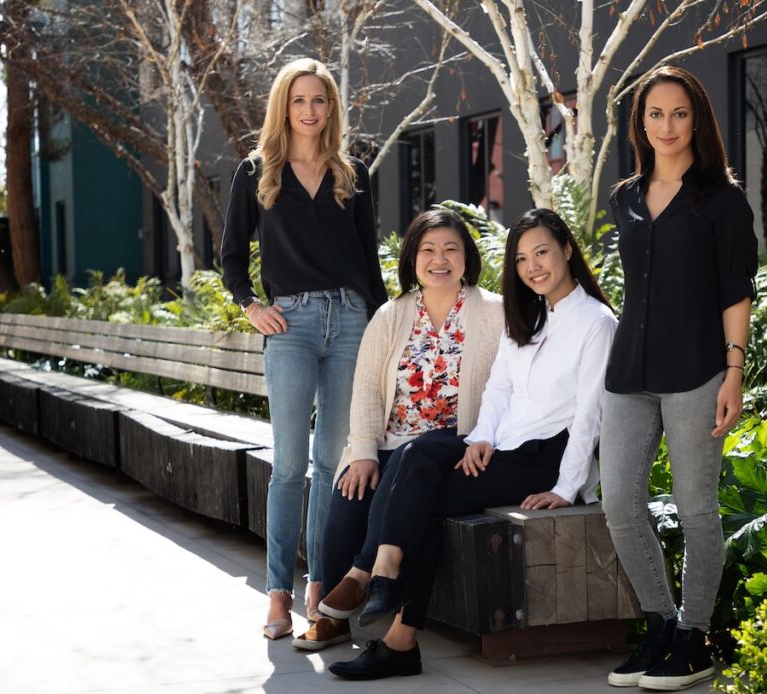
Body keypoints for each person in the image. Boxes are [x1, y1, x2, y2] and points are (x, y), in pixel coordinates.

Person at [326, 208, 617, 680]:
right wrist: (481, 437)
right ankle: (383, 570)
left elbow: (590, 415)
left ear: (567, 250)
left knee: (428, 500)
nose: (533, 266)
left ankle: (395, 625)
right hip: (504, 445)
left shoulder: (595, 322)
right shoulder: (531, 316)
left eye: (542, 252)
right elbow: (500, 388)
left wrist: (566, 487)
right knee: (414, 453)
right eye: (522, 258)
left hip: (546, 459)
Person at [600, 65, 758, 689]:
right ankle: (662, 625)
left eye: (680, 113)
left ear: (698, 120)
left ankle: (697, 636)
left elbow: (735, 289)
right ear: (641, 122)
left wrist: (733, 372)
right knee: (619, 505)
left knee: (696, 509)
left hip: (696, 370)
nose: (667, 126)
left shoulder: (721, 199)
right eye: (655, 114)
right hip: (629, 372)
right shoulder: (624, 197)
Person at [220, 58, 388, 640]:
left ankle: (320, 585)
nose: (310, 111)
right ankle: (277, 593)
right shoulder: (256, 172)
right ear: (283, 107)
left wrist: (383, 327)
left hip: (349, 322)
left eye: (320, 100)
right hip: (288, 325)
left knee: (330, 464)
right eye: (300, 100)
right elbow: (232, 258)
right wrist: (250, 305)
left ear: (331, 107)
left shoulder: (354, 174)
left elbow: (370, 263)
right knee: (290, 466)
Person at [289, 208, 504, 650]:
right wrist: (365, 450)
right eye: (428, 249)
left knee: (406, 467)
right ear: (412, 258)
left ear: (467, 257)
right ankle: (336, 617)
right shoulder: (391, 315)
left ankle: (350, 593)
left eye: (451, 249)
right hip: (390, 442)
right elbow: (366, 387)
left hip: (452, 446)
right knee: (349, 492)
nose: (439, 259)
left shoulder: (495, 313)